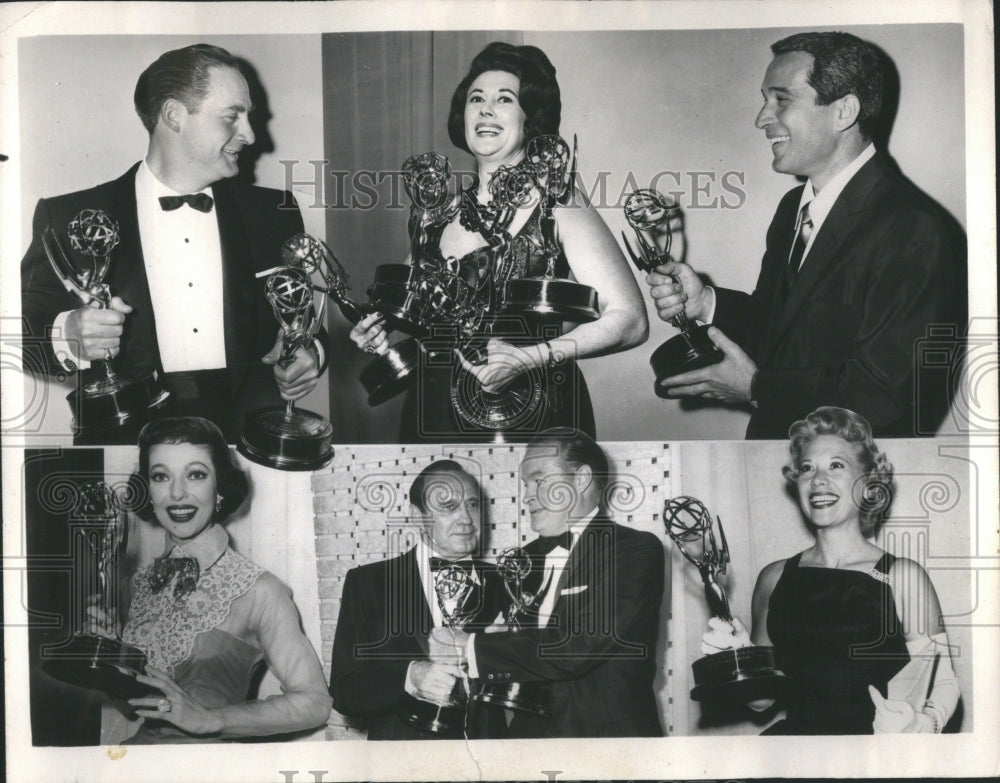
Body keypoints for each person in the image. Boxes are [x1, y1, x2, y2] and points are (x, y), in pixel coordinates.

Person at [646, 32, 963, 438]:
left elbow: (887, 397)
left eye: (782, 99)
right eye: (765, 99)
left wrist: (756, 389)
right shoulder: (792, 209)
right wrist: (706, 303)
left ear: (844, 111)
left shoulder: (913, 229)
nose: (762, 118)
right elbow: (780, 331)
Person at [20, 44, 325, 444]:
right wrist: (69, 332)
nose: (250, 135)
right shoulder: (67, 217)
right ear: (173, 116)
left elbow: (304, 317)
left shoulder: (275, 211)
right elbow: (21, 334)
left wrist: (310, 352)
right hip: (127, 441)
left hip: (250, 441)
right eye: (232, 117)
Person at [350, 42, 647, 442]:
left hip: (535, 410)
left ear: (530, 120)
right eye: (477, 98)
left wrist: (529, 357)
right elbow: (414, 313)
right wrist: (377, 329)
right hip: (434, 409)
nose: (486, 109)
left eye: (504, 99)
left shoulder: (558, 202)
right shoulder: (437, 213)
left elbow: (630, 320)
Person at [701, 406, 960, 734]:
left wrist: (924, 724)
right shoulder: (773, 578)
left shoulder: (902, 576)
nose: (818, 479)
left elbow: (944, 682)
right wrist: (742, 658)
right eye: (807, 468)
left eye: (836, 465)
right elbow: (761, 703)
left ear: (868, 485)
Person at [94, 416, 330, 743]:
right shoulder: (141, 584)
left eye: (196, 474)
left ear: (219, 487)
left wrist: (210, 720)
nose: (177, 493)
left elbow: (315, 703)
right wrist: (110, 664)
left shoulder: (260, 590)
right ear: (148, 490)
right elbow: (134, 708)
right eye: (161, 476)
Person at [429, 428, 665, 738]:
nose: (526, 495)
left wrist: (472, 647)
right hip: (527, 742)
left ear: (581, 479)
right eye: (526, 484)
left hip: (609, 745)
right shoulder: (518, 562)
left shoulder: (633, 549)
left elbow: (581, 642)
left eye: (538, 481)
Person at [329, 460, 504, 739]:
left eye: (472, 504)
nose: (466, 519)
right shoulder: (369, 584)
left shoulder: (507, 582)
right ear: (416, 515)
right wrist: (411, 676)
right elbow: (345, 690)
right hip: (402, 763)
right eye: (448, 507)